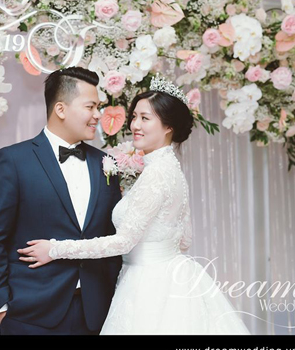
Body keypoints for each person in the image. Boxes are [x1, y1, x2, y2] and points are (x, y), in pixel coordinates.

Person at [17, 74, 252, 335]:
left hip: (148, 284)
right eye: (135, 117)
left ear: (168, 126)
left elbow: (123, 243)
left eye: (145, 118)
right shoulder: (171, 169)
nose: (135, 125)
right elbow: (184, 238)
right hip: (171, 276)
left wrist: (55, 249)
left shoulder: (156, 173)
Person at [0, 67, 122, 335]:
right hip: (30, 314)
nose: (98, 115)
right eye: (90, 106)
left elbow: (112, 236)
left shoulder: (105, 163)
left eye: (98, 107)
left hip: (96, 314)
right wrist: (1, 305)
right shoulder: (14, 160)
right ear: (61, 109)